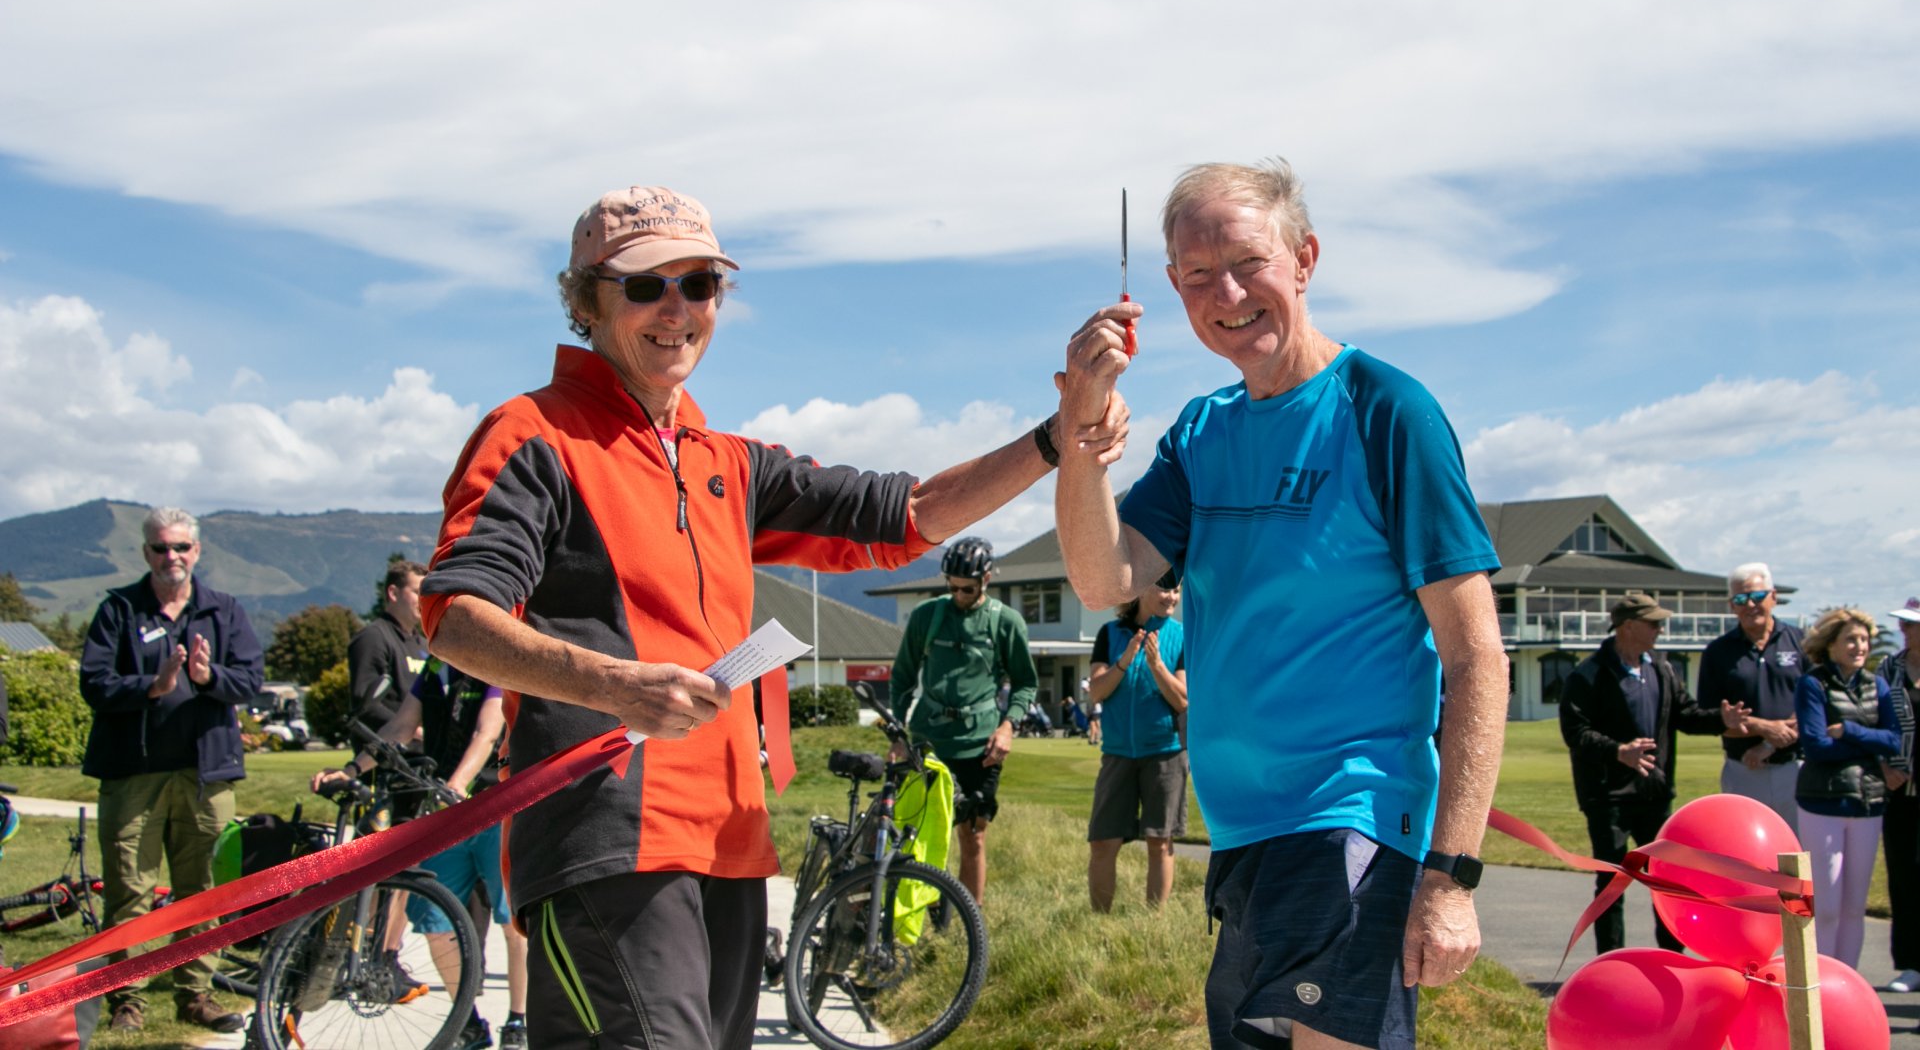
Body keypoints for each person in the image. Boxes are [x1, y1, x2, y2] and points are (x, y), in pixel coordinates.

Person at [419, 185, 1126, 1050]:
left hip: (730, 844)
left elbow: (910, 514)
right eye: (645, 286)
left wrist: (1060, 433)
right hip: (605, 841)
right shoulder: (533, 434)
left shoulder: (730, 464)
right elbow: (455, 613)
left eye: (700, 284)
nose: (676, 308)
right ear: (585, 302)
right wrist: (612, 684)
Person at [1055, 157, 1510, 1050]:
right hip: (1244, 833)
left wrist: (1451, 876)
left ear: (1304, 258)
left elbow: (1475, 656)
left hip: (1351, 821)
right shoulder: (1203, 429)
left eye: (1247, 262)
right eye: (1196, 276)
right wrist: (1083, 423)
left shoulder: (1386, 410)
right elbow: (1105, 579)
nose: (1226, 293)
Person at [79, 507, 262, 1033]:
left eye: (181, 547)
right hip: (132, 774)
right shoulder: (118, 610)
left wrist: (208, 677)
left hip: (205, 774)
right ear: (146, 553)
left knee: (202, 891)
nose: (172, 557)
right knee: (129, 891)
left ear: (196, 551)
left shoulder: (223, 611)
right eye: (161, 548)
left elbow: (250, 680)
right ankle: (128, 1001)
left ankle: (195, 995)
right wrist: (150, 687)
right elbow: (93, 683)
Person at [313, 658, 529, 1049]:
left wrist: (457, 783)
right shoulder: (432, 670)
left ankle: (518, 1019)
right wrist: (352, 769)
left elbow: (487, 731)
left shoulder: (489, 663)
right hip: (445, 816)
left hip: (490, 807)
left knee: (511, 921)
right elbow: (400, 727)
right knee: (433, 920)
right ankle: (468, 1021)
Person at [1558, 592, 1747, 954]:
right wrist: (1618, 752)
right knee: (1613, 882)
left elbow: (1685, 715)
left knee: (1669, 879)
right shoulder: (1589, 674)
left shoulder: (1661, 668)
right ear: (1628, 626)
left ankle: (1673, 959)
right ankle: (1611, 961)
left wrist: (1720, 721)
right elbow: (1576, 733)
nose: (1661, 629)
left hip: (1654, 793)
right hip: (1607, 797)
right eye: (1654, 623)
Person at [890, 537, 1039, 905]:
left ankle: (966, 924)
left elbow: (1025, 684)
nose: (958, 594)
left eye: (967, 588)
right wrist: (897, 731)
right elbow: (903, 677)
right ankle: (914, 916)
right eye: (952, 586)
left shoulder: (1006, 623)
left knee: (973, 836)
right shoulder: (927, 617)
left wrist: (1008, 727)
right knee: (918, 833)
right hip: (928, 742)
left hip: (979, 746)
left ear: (986, 579)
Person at [1796, 606, 1900, 968]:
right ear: (1831, 645)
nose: (1860, 646)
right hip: (1822, 802)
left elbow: (1894, 740)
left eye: (1864, 640)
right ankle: (1820, 986)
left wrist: (1851, 731)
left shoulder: (1877, 685)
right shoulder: (1813, 683)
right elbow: (1815, 745)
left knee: (1854, 907)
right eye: (1851, 639)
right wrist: (1869, 743)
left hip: (1868, 803)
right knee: (1825, 907)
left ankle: (1847, 982)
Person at [1085, 569, 1187, 912]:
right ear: (1142, 590)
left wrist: (1157, 666)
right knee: (1102, 842)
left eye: (1176, 591)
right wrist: (1125, 662)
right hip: (1116, 754)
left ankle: (1152, 923)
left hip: (1165, 754)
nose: (1171, 597)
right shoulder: (1109, 633)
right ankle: (1100, 920)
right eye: (1165, 589)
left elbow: (1183, 700)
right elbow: (1096, 692)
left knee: (1160, 842)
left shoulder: (1181, 636)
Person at [1696, 562, 1805, 828]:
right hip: (1743, 769)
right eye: (1741, 599)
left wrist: (1768, 745)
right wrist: (1762, 727)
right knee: (1745, 859)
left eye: (1757, 596)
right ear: (1732, 605)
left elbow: (1818, 706)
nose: (1750, 605)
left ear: (1774, 597)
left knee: (1798, 856)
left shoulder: (1802, 642)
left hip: (1796, 769)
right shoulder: (1717, 652)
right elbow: (1710, 717)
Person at [1882, 598, 1920, 991]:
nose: (1904, 630)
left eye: (1912, 624)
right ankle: (1910, 963)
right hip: (1899, 790)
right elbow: (1870, 721)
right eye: (1904, 624)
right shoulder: (1888, 668)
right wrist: (1882, 766)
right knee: (1904, 876)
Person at [348, 559, 430, 734]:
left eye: (427, 593)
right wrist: (413, 732)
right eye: (417, 592)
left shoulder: (426, 645)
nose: (424, 600)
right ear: (393, 593)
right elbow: (365, 704)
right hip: (385, 756)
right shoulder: (373, 637)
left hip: (425, 755)